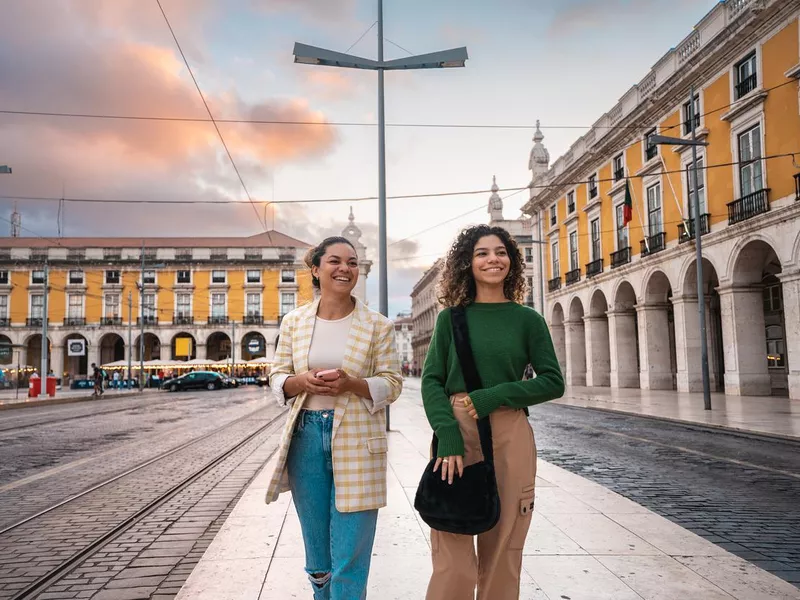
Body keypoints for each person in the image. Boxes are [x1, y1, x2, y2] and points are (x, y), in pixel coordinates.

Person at [421, 225, 565, 600]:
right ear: (468, 263)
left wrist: (499, 394)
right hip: (458, 430)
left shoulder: (527, 320)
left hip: (510, 432)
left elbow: (552, 381)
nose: (492, 259)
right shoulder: (450, 319)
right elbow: (432, 381)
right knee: (451, 544)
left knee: (504, 546)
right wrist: (448, 434)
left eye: (501, 252)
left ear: (512, 261)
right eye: (482, 253)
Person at [265, 236, 402, 599]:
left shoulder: (378, 326)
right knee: (318, 558)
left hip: (358, 439)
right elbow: (277, 377)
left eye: (353, 262)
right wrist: (301, 381)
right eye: (336, 261)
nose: (345, 268)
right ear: (316, 268)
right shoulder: (294, 321)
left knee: (350, 555)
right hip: (306, 439)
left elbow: (393, 384)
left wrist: (352, 384)